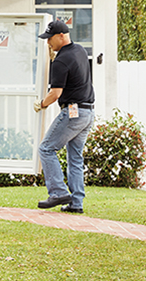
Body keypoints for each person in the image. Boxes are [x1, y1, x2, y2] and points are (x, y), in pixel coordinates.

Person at [33, 20, 95, 214]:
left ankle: (59, 192)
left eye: (50, 39)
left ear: (61, 36)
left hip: (73, 113)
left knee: (46, 149)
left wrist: (41, 104)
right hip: (88, 112)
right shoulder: (80, 51)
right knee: (75, 158)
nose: (48, 43)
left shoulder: (61, 60)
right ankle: (76, 203)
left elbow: (55, 93)